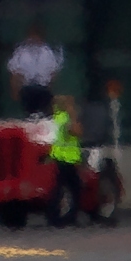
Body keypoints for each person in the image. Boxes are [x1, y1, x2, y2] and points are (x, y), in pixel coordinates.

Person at [9, 23, 63, 117]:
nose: (34, 39)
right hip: (27, 89)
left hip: (43, 89)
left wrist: (50, 88)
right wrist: (15, 89)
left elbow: (53, 73)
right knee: (30, 116)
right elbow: (15, 73)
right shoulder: (21, 52)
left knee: (44, 116)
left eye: (36, 36)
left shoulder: (47, 52)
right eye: (32, 36)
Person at [49, 94, 82, 226]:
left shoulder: (55, 119)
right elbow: (77, 131)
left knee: (57, 189)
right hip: (67, 160)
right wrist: (72, 114)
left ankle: (55, 217)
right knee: (75, 190)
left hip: (56, 158)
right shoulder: (66, 119)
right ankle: (70, 218)